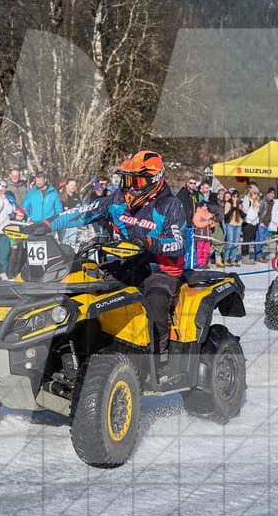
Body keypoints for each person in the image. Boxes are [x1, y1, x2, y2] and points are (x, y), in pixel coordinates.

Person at [26, 150, 185, 364]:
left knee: (156, 301)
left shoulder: (170, 205)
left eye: (135, 180)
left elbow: (179, 244)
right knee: (86, 284)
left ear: (153, 180)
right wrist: (47, 224)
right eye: (127, 179)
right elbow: (83, 212)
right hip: (126, 263)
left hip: (160, 270)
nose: (129, 186)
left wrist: (148, 243)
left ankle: (159, 358)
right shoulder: (118, 199)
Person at [223, 189, 245, 266]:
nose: (235, 198)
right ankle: (226, 258)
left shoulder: (240, 204)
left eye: (236, 197)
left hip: (238, 225)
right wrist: (233, 207)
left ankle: (233, 258)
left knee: (235, 243)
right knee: (230, 241)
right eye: (234, 196)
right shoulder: (228, 203)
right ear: (231, 197)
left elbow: (244, 215)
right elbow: (226, 215)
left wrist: (240, 209)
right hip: (230, 224)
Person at [241, 183, 261, 263]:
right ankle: (245, 257)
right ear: (251, 193)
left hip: (254, 224)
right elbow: (244, 212)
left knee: (249, 241)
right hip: (248, 223)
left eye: (257, 193)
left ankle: (247, 257)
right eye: (254, 193)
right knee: (246, 240)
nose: (255, 195)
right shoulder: (247, 201)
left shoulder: (256, 202)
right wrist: (248, 220)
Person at [58, 178, 82, 247]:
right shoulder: (61, 196)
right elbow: (61, 209)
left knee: (72, 242)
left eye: (74, 185)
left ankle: (70, 257)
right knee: (63, 242)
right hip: (63, 223)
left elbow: (79, 208)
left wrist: (69, 208)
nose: (73, 187)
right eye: (71, 185)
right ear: (67, 186)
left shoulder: (76, 196)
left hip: (73, 223)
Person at [193, 201, 215, 267]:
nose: (204, 208)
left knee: (207, 250)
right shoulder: (197, 214)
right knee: (200, 250)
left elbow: (212, 225)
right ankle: (200, 263)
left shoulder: (209, 214)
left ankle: (204, 263)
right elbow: (197, 224)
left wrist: (212, 223)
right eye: (203, 206)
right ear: (200, 206)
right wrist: (207, 222)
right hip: (200, 235)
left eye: (205, 206)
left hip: (207, 236)